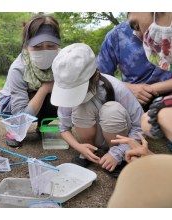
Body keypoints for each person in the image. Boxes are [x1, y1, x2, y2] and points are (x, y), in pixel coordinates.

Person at [108, 12, 172, 207]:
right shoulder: (116, 36)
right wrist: (151, 160)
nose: (141, 35)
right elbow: (101, 75)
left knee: (135, 184)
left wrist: (159, 110)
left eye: (160, 13)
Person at [50, 43, 143, 177]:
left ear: (94, 76)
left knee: (111, 110)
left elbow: (140, 127)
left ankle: (118, 158)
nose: (72, 95)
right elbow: (63, 128)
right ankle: (89, 150)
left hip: (119, 137)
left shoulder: (117, 88)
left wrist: (117, 152)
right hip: (94, 138)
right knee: (81, 106)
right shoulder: (67, 93)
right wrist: (79, 147)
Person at [0, 15, 61, 147]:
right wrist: (45, 88)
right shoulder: (19, 68)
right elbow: (20, 115)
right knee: (20, 117)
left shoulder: (62, 61)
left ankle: (42, 124)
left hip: (37, 100)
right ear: (27, 46)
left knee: (62, 96)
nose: (45, 51)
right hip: (12, 106)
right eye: (37, 47)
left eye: (51, 46)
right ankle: (14, 130)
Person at [97, 15, 172, 109]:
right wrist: (128, 88)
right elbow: (100, 78)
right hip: (132, 103)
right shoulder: (116, 36)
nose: (138, 33)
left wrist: (152, 89)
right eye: (134, 26)